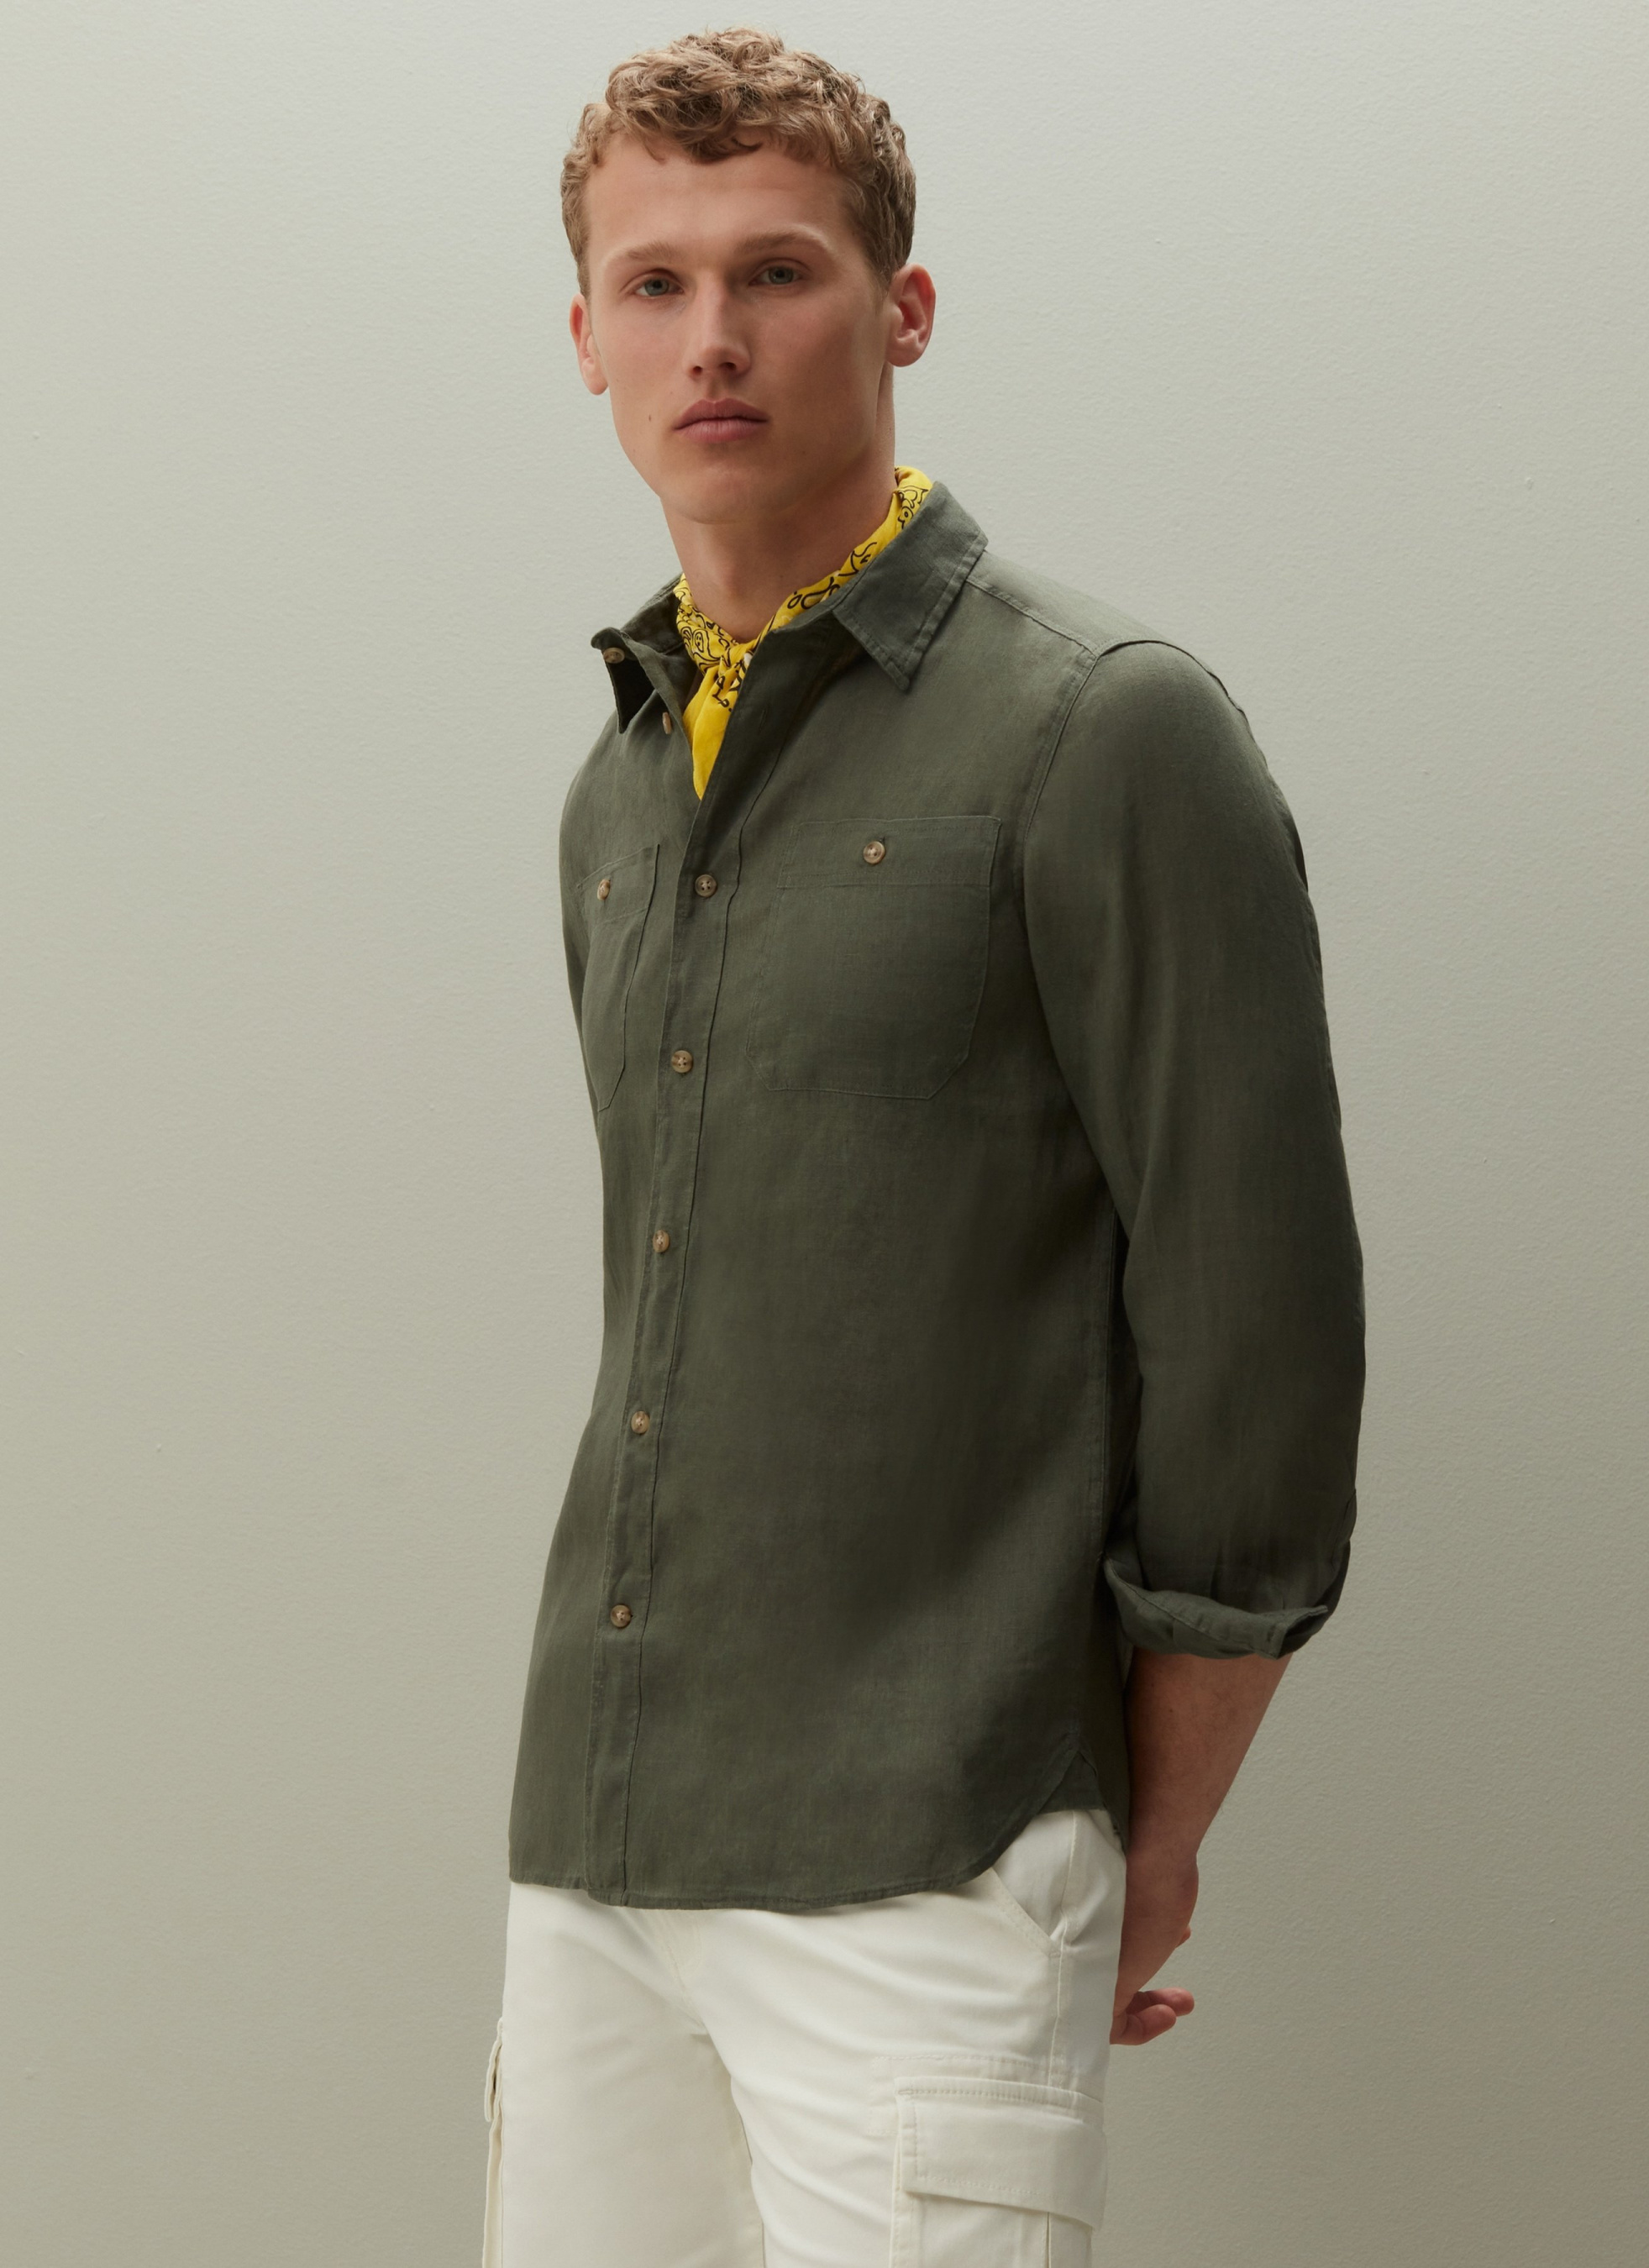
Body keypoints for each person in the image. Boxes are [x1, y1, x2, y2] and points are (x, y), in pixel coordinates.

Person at [484, 26, 1364, 2268]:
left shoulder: (1102, 728)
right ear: (582, 336)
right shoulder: (615, 791)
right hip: (594, 1855)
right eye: (654, 283)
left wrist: (1147, 1830)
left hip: (933, 1844)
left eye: (774, 271)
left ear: (902, 309)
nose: (710, 336)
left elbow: (1256, 1345)